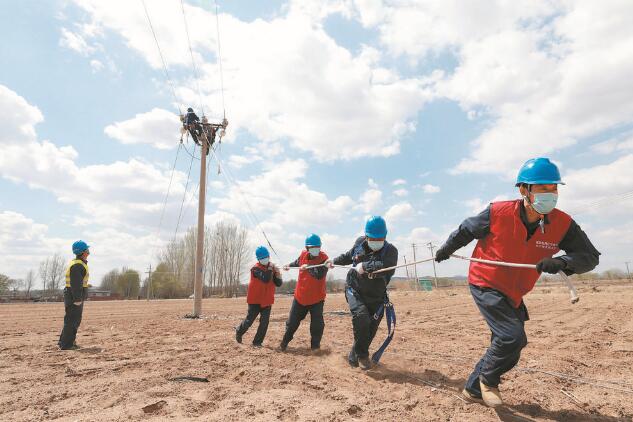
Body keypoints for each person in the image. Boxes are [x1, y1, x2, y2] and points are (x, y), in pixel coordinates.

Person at [434, 157, 600, 407]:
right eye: (543, 189)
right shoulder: (497, 212)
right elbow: (467, 229)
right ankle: (488, 382)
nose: (551, 194)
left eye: (554, 189)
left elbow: (589, 257)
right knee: (510, 337)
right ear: (524, 190)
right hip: (486, 280)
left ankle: (472, 389)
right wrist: (447, 247)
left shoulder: (563, 223)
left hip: (515, 290)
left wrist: (563, 262)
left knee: (513, 342)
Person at [331, 216, 398, 370]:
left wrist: (365, 266)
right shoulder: (359, 243)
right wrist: (333, 261)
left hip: (377, 297)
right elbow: (348, 256)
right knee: (361, 317)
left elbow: (386, 266)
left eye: (380, 238)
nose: (376, 241)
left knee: (368, 330)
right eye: (373, 238)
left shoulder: (391, 251)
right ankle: (363, 356)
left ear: (385, 236)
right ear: (366, 236)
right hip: (354, 290)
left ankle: (354, 357)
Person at [280, 234, 329, 351]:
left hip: (317, 299)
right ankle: (284, 342)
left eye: (318, 247)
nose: (315, 249)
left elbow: (319, 274)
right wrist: (289, 266)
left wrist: (309, 267)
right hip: (300, 298)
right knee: (292, 323)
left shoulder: (324, 259)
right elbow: (297, 262)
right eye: (312, 247)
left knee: (317, 325)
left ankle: (315, 347)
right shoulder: (303, 255)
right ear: (307, 248)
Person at [235, 246, 282, 347]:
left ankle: (257, 342)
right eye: (262, 258)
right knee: (249, 321)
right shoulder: (255, 269)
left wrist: (278, 273)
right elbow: (265, 278)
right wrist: (271, 268)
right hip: (255, 300)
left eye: (266, 257)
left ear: (269, 256)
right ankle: (239, 331)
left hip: (267, 300)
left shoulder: (272, 269)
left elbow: (278, 283)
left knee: (264, 323)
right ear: (258, 259)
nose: (264, 259)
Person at [58, 240, 90, 350]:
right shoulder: (77, 265)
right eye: (87, 250)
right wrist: (77, 299)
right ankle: (67, 345)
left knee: (70, 320)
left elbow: (79, 282)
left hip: (72, 295)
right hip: (74, 297)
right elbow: (76, 284)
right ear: (82, 252)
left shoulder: (78, 264)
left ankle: (64, 342)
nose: (89, 253)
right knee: (72, 321)